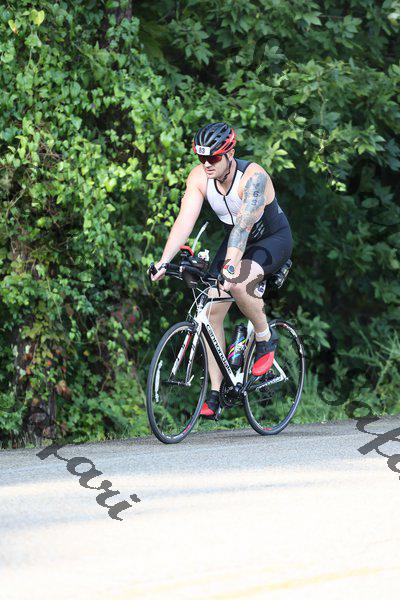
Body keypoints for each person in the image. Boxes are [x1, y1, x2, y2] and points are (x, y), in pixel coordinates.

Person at [150, 122, 293, 418]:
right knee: (211, 310)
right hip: (235, 239)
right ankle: (216, 391)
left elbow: (242, 228)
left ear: (230, 154)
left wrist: (230, 268)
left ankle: (265, 338)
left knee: (237, 283)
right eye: (201, 157)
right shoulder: (199, 177)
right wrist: (164, 260)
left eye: (213, 157)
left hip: (270, 239)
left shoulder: (253, 178)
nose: (207, 164)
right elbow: (185, 220)